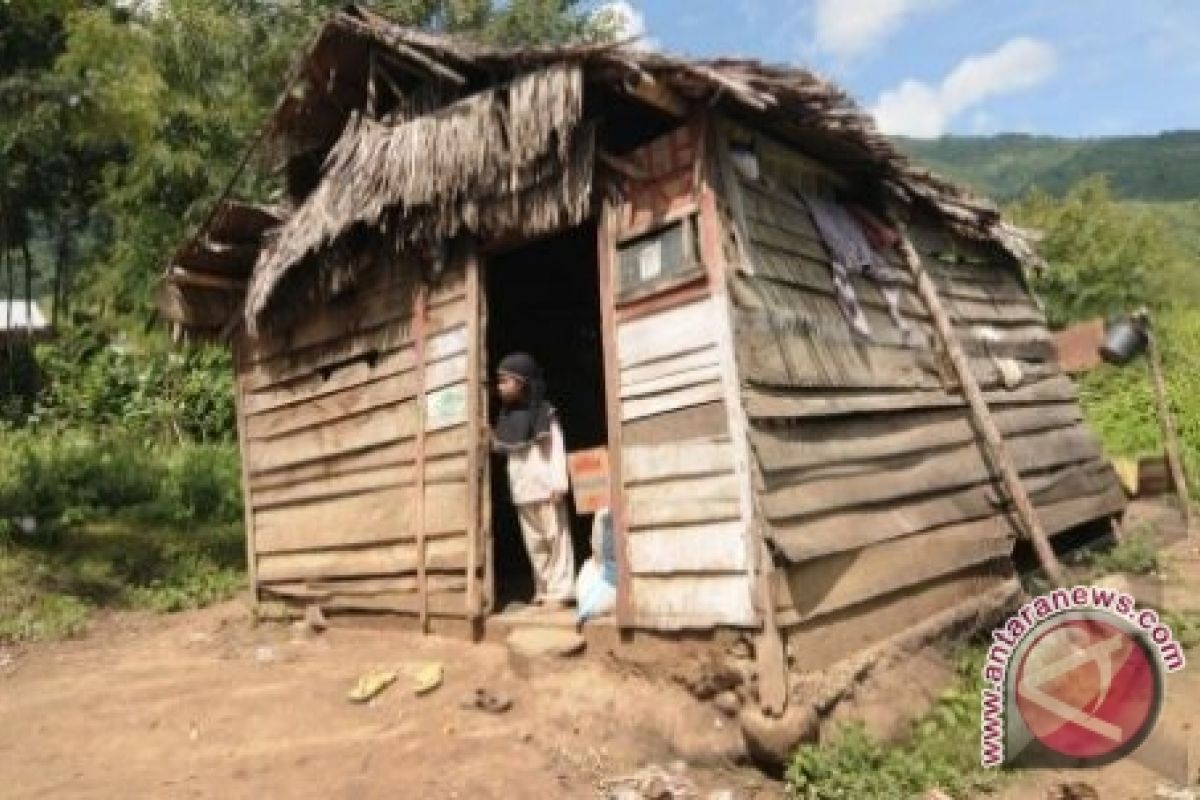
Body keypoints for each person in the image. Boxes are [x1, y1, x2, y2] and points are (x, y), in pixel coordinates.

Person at [492, 352, 575, 608]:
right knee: (535, 545)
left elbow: (556, 450)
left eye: (505, 381)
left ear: (522, 383)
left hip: (547, 488)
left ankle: (561, 592)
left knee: (556, 542)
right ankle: (544, 589)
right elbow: (505, 450)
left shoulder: (545, 413)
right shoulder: (506, 418)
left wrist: (559, 484)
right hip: (523, 491)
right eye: (499, 381)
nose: (500, 387)